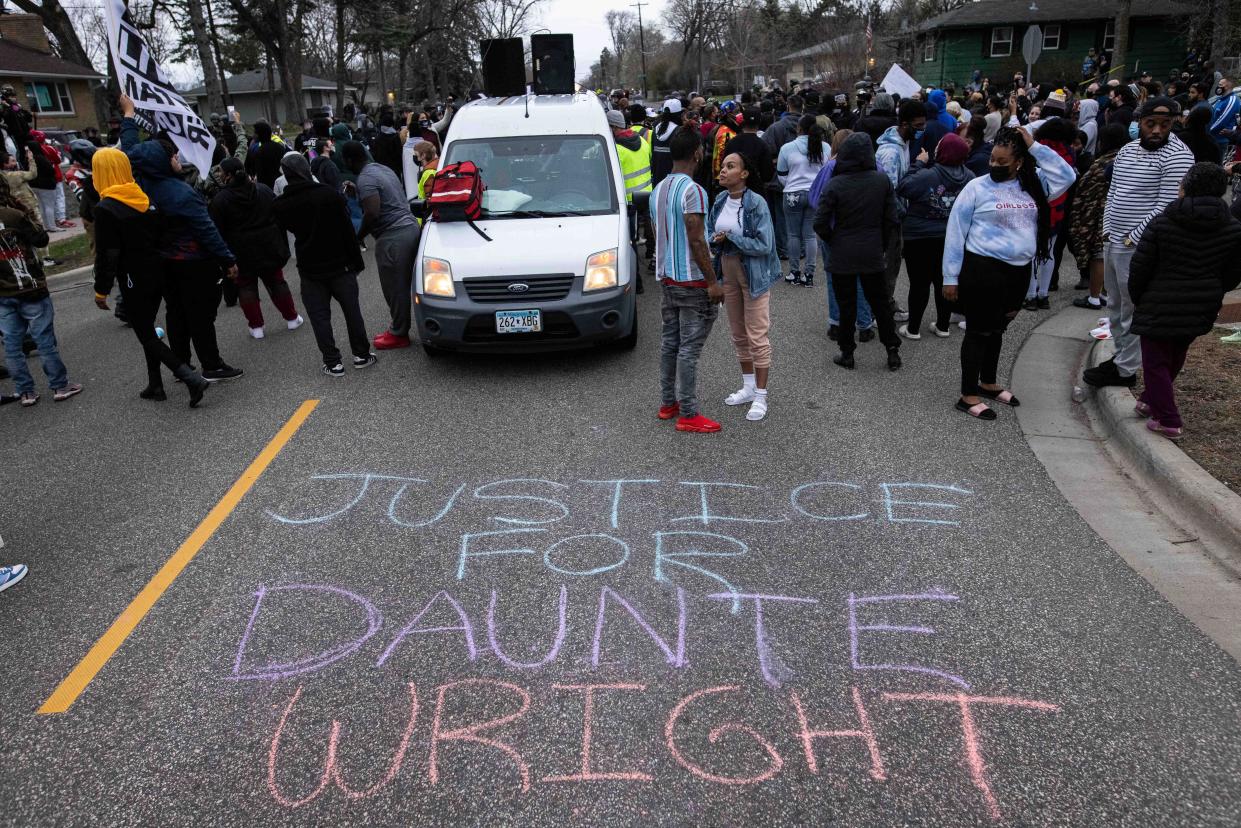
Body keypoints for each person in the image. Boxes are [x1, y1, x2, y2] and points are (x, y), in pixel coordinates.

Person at [942, 127, 1077, 420]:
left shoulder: (1034, 184)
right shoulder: (977, 188)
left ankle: (988, 383)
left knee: (998, 328)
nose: (994, 166)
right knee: (978, 331)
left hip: (1018, 273)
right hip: (983, 270)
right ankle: (968, 395)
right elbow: (955, 232)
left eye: (1003, 162)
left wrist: (1035, 145)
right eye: (992, 159)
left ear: (1019, 162)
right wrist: (950, 277)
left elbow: (1067, 176)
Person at [120, 93, 243, 382]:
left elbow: (130, 151)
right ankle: (211, 365)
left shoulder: (138, 185)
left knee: (175, 314)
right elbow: (206, 230)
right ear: (163, 162)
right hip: (193, 261)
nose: (176, 157)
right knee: (201, 316)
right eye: (171, 155)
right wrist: (227, 259)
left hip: (162, 263)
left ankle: (182, 365)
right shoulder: (182, 194)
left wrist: (128, 116)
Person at [1084, 97, 1195, 390]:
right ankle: (1121, 358)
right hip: (1114, 240)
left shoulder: (1179, 155)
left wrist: (1134, 236)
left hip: (1139, 246)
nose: (1157, 130)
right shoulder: (1127, 150)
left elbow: (1166, 204)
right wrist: (1107, 229)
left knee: (1133, 306)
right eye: (1151, 124)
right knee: (1116, 305)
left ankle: (1126, 369)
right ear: (1140, 123)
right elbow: (1115, 190)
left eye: (1164, 124)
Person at [1130, 161, 1241, 438]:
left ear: (1186, 187)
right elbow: (1233, 273)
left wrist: (1139, 297)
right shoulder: (1233, 228)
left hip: (1159, 300)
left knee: (1155, 361)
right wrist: (1214, 289)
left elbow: (1140, 267)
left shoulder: (1162, 222)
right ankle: (1149, 400)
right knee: (1176, 353)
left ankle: (1168, 419)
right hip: (1203, 303)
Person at [92, 148, 209, 405]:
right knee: (148, 327)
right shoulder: (142, 197)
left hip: (134, 276)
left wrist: (102, 289)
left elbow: (107, 254)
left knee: (145, 333)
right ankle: (155, 384)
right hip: (158, 270)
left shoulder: (106, 208)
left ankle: (190, 378)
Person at [271, 153, 375, 376]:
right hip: (341, 264)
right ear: (306, 170)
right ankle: (362, 355)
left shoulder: (281, 204)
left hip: (309, 267)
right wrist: (357, 261)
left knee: (319, 317)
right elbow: (347, 231)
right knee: (352, 311)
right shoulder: (329, 195)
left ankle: (333, 362)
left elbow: (279, 232)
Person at [649, 125, 724, 434]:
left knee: (670, 343)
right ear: (697, 153)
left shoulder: (658, 190)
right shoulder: (694, 191)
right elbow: (695, 240)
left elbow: (661, 236)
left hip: (667, 278)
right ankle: (689, 413)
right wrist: (712, 282)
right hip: (692, 282)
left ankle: (669, 403)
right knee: (689, 348)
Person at [814, 132, 902, 371]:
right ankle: (892, 349)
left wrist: (833, 240)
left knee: (846, 304)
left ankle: (847, 352)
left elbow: (820, 222)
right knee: (880, 303)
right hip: (872, 249)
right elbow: (891, 218)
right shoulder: (881, 181)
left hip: (842, 250)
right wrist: (881, 244)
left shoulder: (835, 184)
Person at [708, 151, 780, 422]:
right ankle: (748, 387)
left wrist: (733, 238)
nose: (723, 170)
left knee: (757, 336)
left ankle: (761, 395)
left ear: (745, 173)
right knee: (738, 334)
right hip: (727, 271)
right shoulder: (720, 200)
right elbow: (707, 231)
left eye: (730, 166)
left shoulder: (756, 203)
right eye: (723, 166)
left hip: (754, 274)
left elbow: (764, 245)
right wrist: (714, 238)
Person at [0, 175, 82, 407]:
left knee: (12, 344)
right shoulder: (14, 215)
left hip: (3, 293)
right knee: (44, 339)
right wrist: (28, 213)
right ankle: (59, 385)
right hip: (30, 287)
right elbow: (40, 238)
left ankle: (25, 391)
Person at [209, 157, 303, 339]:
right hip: (269, 245)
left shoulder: (220, 200)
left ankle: (256, 327)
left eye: (220, 171)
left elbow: (216, 230)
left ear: (228, 175)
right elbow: (278, 212)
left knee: (245, 287)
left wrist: (223, 258)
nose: (218, 175)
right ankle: (292, 318)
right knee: (276, 281)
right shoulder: (263, 189)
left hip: (240, 251)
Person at [341, 140, 421, 350]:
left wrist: (359, 236)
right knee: (408, 284)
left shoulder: (365, 179)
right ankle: (404, 328)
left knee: (395, 288)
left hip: (393, 237)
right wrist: (357, 191)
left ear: (349, 160)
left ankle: (399, 334)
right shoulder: (381, 169)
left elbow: (373, 212)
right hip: (410, 227)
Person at [898, 133, 974, 340]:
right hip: (952, 237)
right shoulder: (970, 178)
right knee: (946, 280)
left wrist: (918, 164)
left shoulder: (928, 175)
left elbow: (904, 186)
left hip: (920, 237)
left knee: (919, 284)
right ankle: (942, 325)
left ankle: (913, 328)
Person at [876, 99, 928, 321]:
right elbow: (888, 191)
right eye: (918, 126)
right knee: (887, 267)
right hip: (890, 219)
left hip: (895, 217)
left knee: (892, 266)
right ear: (905, 124)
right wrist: (902, 215)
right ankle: (881, 311)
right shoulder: (891, 153)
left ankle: (886, 304)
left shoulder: (903, 145)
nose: (921, 130)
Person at [1069, 124, 1129, 310]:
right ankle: (1105, 294)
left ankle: (1094, 297)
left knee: (1099, 255)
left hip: (1103, 214)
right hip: (1126, 214)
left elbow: (1085, 191)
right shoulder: (1131, 158)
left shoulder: (1102, 163)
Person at [1024, 118, 1078, 310]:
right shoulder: (1068, 153)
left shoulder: (1037, 149)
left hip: (1035, 205)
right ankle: (1043, 294)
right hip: (1058, 206)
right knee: (1049, 251)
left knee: (1032, 252)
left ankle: (1030, 295)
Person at [776, 114, 827, 286]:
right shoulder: (824, 147)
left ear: (799, 128)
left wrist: (791, 183)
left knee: (793, 234)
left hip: (792, 194)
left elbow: (781, 174)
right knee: (810, 235)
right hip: (815, 194)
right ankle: (809, 274)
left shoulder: (787, 148)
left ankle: (794, 272)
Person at [651, 99, 685, 187]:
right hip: (674, 181)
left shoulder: (655, 130)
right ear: (679, 114)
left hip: (657, 179)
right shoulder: (679, 131)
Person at [245, 122, 287, 189]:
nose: (253, 136)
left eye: (255, 133)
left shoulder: (256, 151)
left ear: (259, 135)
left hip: (264, 187)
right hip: (281, 184)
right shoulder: (280, 147)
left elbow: (248, 169)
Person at [1208, 77, 1240, 159]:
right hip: (1212, 138)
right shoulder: (1220, 99)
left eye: (1220, 85)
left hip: (1219, 140)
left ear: (1227, 87)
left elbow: (1222, 120)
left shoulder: (1232, 100)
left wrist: (1207, 131)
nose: (1218, 87)